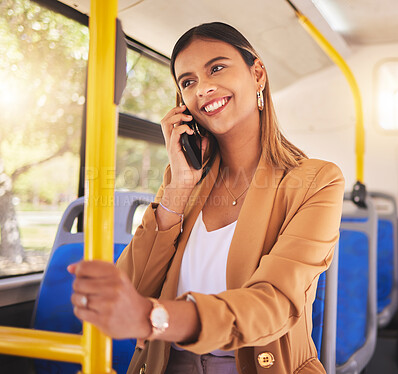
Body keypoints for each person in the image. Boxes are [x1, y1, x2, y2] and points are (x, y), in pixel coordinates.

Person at [68, 22, 345, 373]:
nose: (203, 88)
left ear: (257, 74)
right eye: (188, 82)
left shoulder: (315, 181)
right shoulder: (182, 180)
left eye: (216, 68)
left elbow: (273, 302)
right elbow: (134, 286)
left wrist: (158, 317)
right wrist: (179, 187)